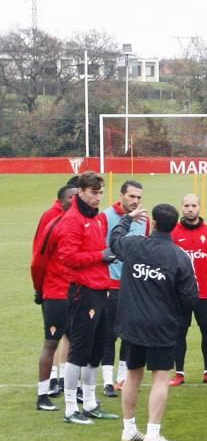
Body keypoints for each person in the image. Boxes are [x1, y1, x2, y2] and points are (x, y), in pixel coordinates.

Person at [110, 203, 199, 441]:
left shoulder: (134, 244)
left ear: (155, 223)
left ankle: (129, 429)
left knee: (132, 374)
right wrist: (177, 317)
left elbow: (114, 238)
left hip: (132, 323)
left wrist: (127, 218)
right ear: (175, 225)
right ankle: (152, 433)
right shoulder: (179, 256)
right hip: (161, 325)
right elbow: (190, 296)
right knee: (160, 377)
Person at [57, 171, 120, 425]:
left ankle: (91, 403)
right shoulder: (72, 220)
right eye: (94, 193)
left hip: (100, 288)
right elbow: (67, 257)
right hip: (83, 291)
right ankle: (71, 408)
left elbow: (96, 251)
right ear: (81, 192)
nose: (97, 198)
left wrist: (105, 256)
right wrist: (100, 256)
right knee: (79, 350)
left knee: (96, 348)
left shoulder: (96, 219)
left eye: (100, 193)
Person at [30, 183, 78, 410]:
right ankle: (43, 395)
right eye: (72, 197)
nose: (75, 200)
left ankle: (74, 392)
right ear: (62, 200)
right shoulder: (53, 222)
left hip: (77, 292)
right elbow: (38, 260)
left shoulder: (79, 221)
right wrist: (40, 289)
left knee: (77, 343)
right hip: (56, 293)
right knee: (51, 343)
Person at [99, 180, 149, 397]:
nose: (135, 201)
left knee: (129, 335)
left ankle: (122, 378)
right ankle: (107, 381)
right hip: (110, 284)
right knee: (109, 334)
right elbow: (98, 250)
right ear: (121, 195)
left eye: (138, 197)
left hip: (133, 287)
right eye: (131, 196)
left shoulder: (144, 221)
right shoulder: (105, 217)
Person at [170, 193, 207, 386]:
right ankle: (179, 373)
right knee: (179, 332)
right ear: (182, 208)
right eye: (187, 206)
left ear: (199, 208)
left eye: (194, 205)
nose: (190, 209)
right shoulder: (174, 234)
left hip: (205, 294)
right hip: (181, 295)